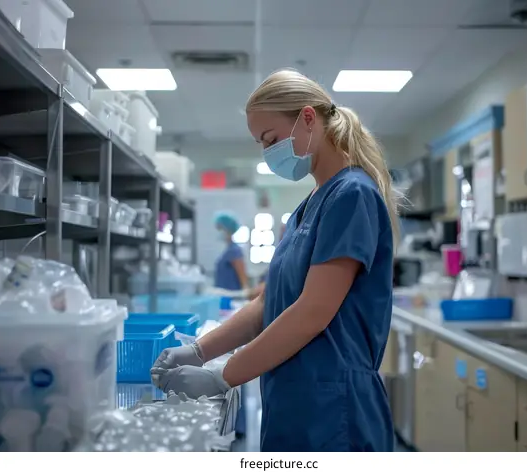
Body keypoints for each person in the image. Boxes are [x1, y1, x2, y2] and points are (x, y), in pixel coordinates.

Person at [151, 69, 401, 452]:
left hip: (335, 408)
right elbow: (270, 302)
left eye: (270, 139)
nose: (268, 154)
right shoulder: (307, 208)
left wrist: (223, 377)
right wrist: (201, 350)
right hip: (294, 400)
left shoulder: (352, 195)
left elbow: (313, 311)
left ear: (307, 118)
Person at [213, 212, 249, 292]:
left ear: (227, 229)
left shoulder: (234, 250)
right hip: (224, 296)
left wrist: (245, 296)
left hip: (232, 297)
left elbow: (243, 279)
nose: (218, 231)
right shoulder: (227, 250)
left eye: (220, 228)